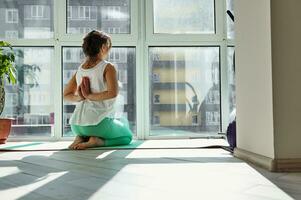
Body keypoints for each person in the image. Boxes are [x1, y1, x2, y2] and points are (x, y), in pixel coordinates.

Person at [63, 30, 133, 150]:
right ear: (103, 47)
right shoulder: (108, 67)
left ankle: (81, 137)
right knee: (127, 137)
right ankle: (96, 141)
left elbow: (66, 95)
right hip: (97, 124)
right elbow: (113, 93)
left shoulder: (80, 69)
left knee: (112, 124)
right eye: (108, 47)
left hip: (76, 125)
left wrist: (81, 97)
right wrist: (89, 95)